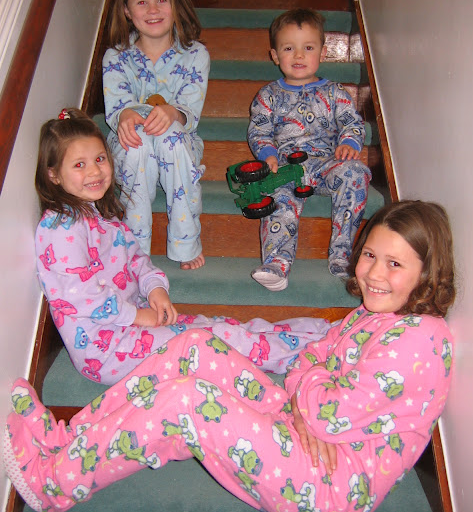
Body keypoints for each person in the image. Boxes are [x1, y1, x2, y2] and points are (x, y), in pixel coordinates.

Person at [6, 200, 455, 512]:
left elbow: (325, 406)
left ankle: (53, 484)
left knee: (189, 401)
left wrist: (313, 401)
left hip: (327, 484)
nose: (374, 273)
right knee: (196, 344)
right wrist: (310, 403)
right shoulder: (375, 313)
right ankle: (70, 440)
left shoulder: (421, 340)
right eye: (370, 255)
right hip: (304, 429)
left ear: (427, 272)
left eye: (395, 264)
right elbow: (309, 360)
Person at [33, 109, 331, 386]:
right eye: (79, 165)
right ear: (53, 175)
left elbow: (136, 259)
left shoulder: (103, 217)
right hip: (105, 350)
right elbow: (82, 296)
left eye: (100, 159)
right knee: (214, 340)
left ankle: (321, 334)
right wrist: (136, 317)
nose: (95, 171)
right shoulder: (60, 228)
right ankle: (315, 354)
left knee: (220, 326)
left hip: (130, 325)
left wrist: (154, 288)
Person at [248, 8, 372, 290]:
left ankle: (342, 255)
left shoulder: (335, 92)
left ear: (323, 52)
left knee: (355, 173)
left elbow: (352, 122)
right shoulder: (269, 95)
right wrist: (268, 155)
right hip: (286, 168)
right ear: (275, 56)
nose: (299, 56)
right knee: (276, 195)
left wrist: (349, 142)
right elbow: (259, 130)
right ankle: (276, 264)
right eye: (288, 48)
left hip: (327, 164)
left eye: (308, 48)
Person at [102, 0, 210, 268]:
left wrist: (172, 112)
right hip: (130, 142)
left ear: (175, 4)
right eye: (142, 2)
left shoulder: (195, 54)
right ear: (127, 11)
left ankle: (185, 242)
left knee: (169, 138)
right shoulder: (116, 57)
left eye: (161, 0)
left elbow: (190, 111)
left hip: (178, 142)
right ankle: (135, 250)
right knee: (137, 145)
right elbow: (117, 108)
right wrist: (125, 115)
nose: (153, 10)